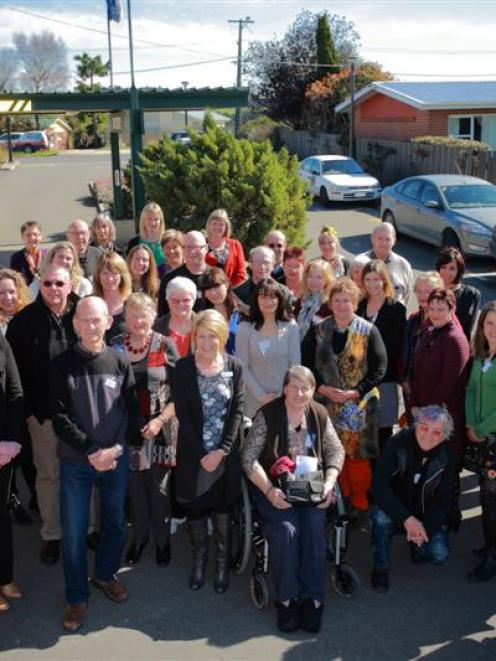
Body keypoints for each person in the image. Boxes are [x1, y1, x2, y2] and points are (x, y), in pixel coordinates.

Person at [51, 296, 142, 632]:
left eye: (97, 320)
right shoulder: (61, 365)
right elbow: (59, 417)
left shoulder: (120, 361)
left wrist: (116, 449)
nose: (91, 326)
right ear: (75, 324)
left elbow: (131, 411)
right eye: (85, 320)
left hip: (114, 460)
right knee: (74, 533)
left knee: (115, 523)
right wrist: (91, 450)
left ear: (108, 323)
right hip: (77, 462)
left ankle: (105, 575)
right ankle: (77, 596)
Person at [242, 365, 345, 633]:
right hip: (276, 489)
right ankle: (286, 599)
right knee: (286, 530)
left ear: (312, 390)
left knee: (312, 527)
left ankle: (313, 597)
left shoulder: (319, 414)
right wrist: (268, 491)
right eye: (295, 386)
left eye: (306, 388)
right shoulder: (268, 414)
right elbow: (248, 458)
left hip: (312, 489)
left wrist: (329, 485)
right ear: (285, 387)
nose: (300, 393)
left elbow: (336, 452)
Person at [6, 265, 79, 564]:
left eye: (59, 282)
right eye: (46, 283)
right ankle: (52, 534)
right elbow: (14, 374)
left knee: (82, 476)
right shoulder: (24, 322)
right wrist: (28, 414)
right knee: (48, 477)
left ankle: (85, 528)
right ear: (40, 285)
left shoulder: (83, 313)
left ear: (70, 284)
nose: (53, 288)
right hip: (43, 415)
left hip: (81, 415)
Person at [173, 310, 245, 594]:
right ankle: (200, 559)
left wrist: (222, 450)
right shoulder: (183, 368)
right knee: (197, 506)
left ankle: (222, 561)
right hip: (195, 453)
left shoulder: (235, 366)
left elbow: (237, 409)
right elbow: (182, 413)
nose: (205, 342)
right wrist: (203, 452)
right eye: (200, 336)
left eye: (211, 336)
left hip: (225, 454)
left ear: (222, 337)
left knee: (223, 506)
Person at [303, 278, 387, 515]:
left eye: (346, 301)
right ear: (330, 303)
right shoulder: (318, 330)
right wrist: (320, 387)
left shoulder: (369, 330)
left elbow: (380, 368)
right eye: (337, 300)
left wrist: (356, 391)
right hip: (325, 403)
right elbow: (306, 363)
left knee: (356, 457)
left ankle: (359, 501)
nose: (341, 305)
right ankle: (340, 498)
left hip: (358, 405)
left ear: (355, 302)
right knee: (331, 454)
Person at [111, 294, 179, 567]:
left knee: (160, 491)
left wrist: (160, 420)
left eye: (144, 315)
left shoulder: (165, 345)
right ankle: (140, 539)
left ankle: (163, 541)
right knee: (135, 490)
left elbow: (180, 393)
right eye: (133, 315)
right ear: (125, 319)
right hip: (127, 429)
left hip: (159, 427)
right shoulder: (115, 346)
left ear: (153, 317)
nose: (139, 320)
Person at [370, 405, 456, 593]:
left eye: (436, 432)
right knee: (380, 518)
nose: (429, 435)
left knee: (439, 554)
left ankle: (415, 544)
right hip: (394, 508)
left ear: (443, 436)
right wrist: (407, 520)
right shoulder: (396, 443)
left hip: (424, 515)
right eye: (424, 427)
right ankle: (381, 566)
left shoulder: (447, 455)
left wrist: (425, 528)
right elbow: (378, 487)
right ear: (415, 425)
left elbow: (443, 500)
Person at [409, 287, 470, 531]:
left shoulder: (455, 339)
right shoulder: (428, 330)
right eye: (431, 307)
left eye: (440, 309)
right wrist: (413, 405)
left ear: (452, 309)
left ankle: (449, 520)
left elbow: (447, 385)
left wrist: (423, 413)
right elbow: (417, 372)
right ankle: (430, 517)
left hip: (445, 420)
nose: (434, 312)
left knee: (447, 472)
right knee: (429, 470)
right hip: (424, 414)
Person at [357, 260, 407, 450]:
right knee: (362, 430)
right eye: (368, 279)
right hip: (360, 379)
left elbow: (393, 348)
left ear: (384, 280)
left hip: (384, 379)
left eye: (376, 279)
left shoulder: (396, 309)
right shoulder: (360, 305)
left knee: (383, 431)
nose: (372, 284)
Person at [235, 278, 300, 419]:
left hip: (284, 399)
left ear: (280, 299)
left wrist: (281, 394)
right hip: (252, 402)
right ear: (256, 299)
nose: (267, 301)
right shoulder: (244, 328)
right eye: (263, 296)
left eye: (272, 296)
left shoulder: (291, 327)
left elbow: (295, 366)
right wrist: (262, 396)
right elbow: (242, 367)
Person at [0, 270, 35, 526]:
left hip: (27, 396)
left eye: (12, 291)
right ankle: (11, 498)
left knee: (29, 453)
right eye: (2, 292)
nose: (8, 297)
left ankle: (33, 495)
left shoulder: (27, 318)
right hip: (7, 399)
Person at [465, 302, 496, 582]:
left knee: (492, 496)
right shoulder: (480, 355)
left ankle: (492, 557)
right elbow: (472, 390)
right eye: (489, 323)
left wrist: (484, 428)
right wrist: (470, 423)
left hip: (493, 438)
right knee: (487, 497)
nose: (493, 329)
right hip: (481, 438)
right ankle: (489, 546)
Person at [0, 334, 24, 613]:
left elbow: (16, 394)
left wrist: (13, 441)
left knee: (1, 517)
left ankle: (4, 578)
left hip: (3, 450)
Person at [401, 271, 444, 414]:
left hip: (432, 392)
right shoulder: (413, 319)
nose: (422, 295)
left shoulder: (444, 324)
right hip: (409, 388)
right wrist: (404, 380)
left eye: (428, 291)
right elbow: (405, 353)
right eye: (419, 291)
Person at [358, 222, 413, 305]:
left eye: (388, 239)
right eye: (380, 239)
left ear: (394, 241)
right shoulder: (360, 262)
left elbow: (407, 295)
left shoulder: (403, 265)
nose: (383, 243)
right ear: (372, 239)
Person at [158, 231, 210, 317]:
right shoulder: (169, 279)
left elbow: (226, 311)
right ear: (183, 249)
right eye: (188, 247)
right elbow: (163, 315)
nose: (192, 251)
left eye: (197, 247)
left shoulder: (216, 277)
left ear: (206, 249)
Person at [435, 247, 481, 341]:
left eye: (452, 268)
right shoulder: (432, 290)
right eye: (443, 267)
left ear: (459, 271)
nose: (446, 272)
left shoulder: (470, 294)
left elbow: (468, 329)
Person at [93, 252, 132, 343]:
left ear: (122, 276)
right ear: (98, 276)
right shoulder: (89, 303)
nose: (110, 279)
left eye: (114, 273)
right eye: (105, 273)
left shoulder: (132, 304)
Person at [199, 267, 239, 355]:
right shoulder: (202, 319)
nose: (213, 292)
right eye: (208, 288)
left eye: (217, 286)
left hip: (239, 365)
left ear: (227, 285)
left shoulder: (241, 314)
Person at [154, 277, 196, 358]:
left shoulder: (205, 326)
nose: (180, 304)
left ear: (194, 300)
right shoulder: (156, 329)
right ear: (167, 300)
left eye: (186, 300)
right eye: (175, 300)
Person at [294, 258, 333, 345]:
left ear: (327, 280)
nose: (313, 281)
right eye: (310, 276)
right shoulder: (301, 301)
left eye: (319, 277)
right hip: (298, 349)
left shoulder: (330, 304)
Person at [204, 209, 246, 287]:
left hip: (228, 292)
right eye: (214, 223)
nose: (217, 227)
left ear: (226, 227)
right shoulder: (201, 243)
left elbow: (241, 273)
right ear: (209, 225)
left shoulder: (235, 245)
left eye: (221, 224)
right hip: (203, 292)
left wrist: (228, 289)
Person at [126, 202, 166, 277]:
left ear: (161, 221)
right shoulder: (134, 242)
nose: (153, 222)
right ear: (143, 220)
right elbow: (128, 268)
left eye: (156, 219)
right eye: (149, 219)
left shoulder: (167, 240)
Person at [234, 246, 275, 318]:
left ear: (273, 265)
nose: (262, 267)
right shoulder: (238, 293)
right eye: (258, 262)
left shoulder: (284, 293)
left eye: (266, 262)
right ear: (250, 264)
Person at [9, 220, 47, 285]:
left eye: (35, 234)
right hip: (26, 293)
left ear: (40, 237)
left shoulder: (49, 255)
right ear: (22, 237)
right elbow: (15, 281)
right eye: (28, 235)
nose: (32, 238)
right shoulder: (16, 257)